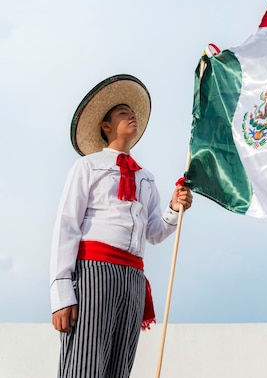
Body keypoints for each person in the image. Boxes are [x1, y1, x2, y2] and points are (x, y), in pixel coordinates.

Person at [50, 74, 192, 378]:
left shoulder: (145, 178)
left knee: (119, 366)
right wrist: (62, 294)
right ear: (105, 126)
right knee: (85, 364)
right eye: (122, 113)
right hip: (94, 271)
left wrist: (173, 208)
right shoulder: (88, 167)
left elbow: (153, 232)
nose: (131, 116)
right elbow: (66, 227)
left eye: (133, 112)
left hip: (133, 277)